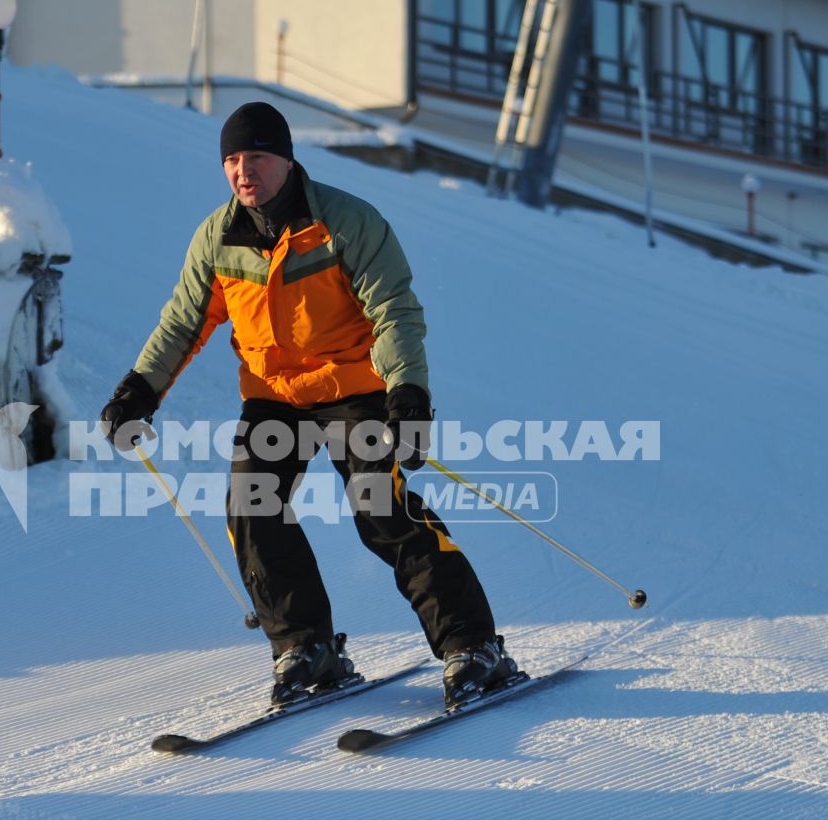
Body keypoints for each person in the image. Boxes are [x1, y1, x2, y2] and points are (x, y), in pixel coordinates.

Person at [100, 102, 519, 709]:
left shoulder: (345, 221)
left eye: (258, 157)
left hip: (354, 389)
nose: (245, 171)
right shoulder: (217, 239)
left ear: (288, 160)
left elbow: (394, 310)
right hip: (275, 399)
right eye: (233, 160)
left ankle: (472, 646)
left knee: (383, 512)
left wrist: (409, 394)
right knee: (252, 508)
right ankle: (306, 646)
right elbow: (182, 323)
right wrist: (138, 390)